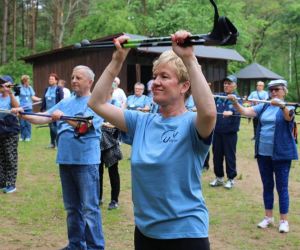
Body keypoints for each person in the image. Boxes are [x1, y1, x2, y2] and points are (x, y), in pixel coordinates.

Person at [89, 30, 216, 250]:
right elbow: (97, 103)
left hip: (186, 235)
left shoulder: (192, 124)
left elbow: (209, 113)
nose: (155, 82)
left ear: (184, 87)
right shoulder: (142, 122)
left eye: (164, 77)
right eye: (155, 76)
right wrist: (117, 60)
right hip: (146, 233)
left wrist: (189, 58)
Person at [14, 66, 105, 249]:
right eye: (72, 77)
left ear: (90, 82)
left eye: (78, 77)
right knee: (72, 208)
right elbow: (44, 117)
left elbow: (84, 127)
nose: (73, 80)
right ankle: (75, 244)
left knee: (90, 209)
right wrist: (24, 115)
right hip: (65, 160)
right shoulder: (66, 101)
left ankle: (95, 247)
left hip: (86, 163)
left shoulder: (96, 103)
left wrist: (63, 118)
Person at [227, 79, 298, 233]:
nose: (273, 92)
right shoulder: (264, 105)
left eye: (276, 89)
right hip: (263, 153)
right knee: (267, 186)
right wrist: (235, 103)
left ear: (284, 91)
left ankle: (284, 221)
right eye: (271, 89)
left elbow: (288, 117)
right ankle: (268, 217)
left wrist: (282, 105)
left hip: (281, 155)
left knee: (282, 187)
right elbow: (247, 112)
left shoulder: (288, 107)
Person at [210, 75, 242, 189]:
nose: (226, 85)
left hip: (230, 133)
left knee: (230, 156)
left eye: (229, 83)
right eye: (225, 83)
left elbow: (240, 109)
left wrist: (232, 112)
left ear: (235, 85)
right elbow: (209, 103)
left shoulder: (237, 98)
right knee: (216, 156)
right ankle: (219, 178)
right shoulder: (219, 96)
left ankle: (231, 179)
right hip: (217, 132)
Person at [99, 84, 123, 210]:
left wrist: (101, 124)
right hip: (97, 143)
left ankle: (114, 200)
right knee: (98, 172)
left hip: (111, 143)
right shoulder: (97, 104)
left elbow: (117, 123)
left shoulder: (115, 104)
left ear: (112, 90)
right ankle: (98, 197)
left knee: (113, 173)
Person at [0, 75, 20, 193]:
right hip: (0, 130)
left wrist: (10, 92)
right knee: (1, 158)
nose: (2, 85)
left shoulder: (13, 96)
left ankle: (11, 183)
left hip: (10, 131)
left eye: (5, 83)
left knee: (10, 157)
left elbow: (17, 107)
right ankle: (2, 182)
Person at [40, 73, 64, 148]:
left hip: (56, 112)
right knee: (51, 127)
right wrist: (42, 109)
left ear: (56, 81)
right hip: (48, 111)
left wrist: (60, 110)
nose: (50, 80)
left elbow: (61, 100)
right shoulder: (47, 89)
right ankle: (52, 143)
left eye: (52, 79)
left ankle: (58, 143)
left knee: (55, 127)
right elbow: (44, 99)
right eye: (49, 79)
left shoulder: (59, 89)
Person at [18, 75, 42, 141]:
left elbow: (32, 97)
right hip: (21, 108)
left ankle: (28, 136)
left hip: (29, 107)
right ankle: (22, 136)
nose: (29, 81)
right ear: (24, 81)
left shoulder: (29, 88)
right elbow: (16, 98)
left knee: (28, 122)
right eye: (28, 80)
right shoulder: (19, 87)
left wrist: (40, 99)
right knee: (22, 123)